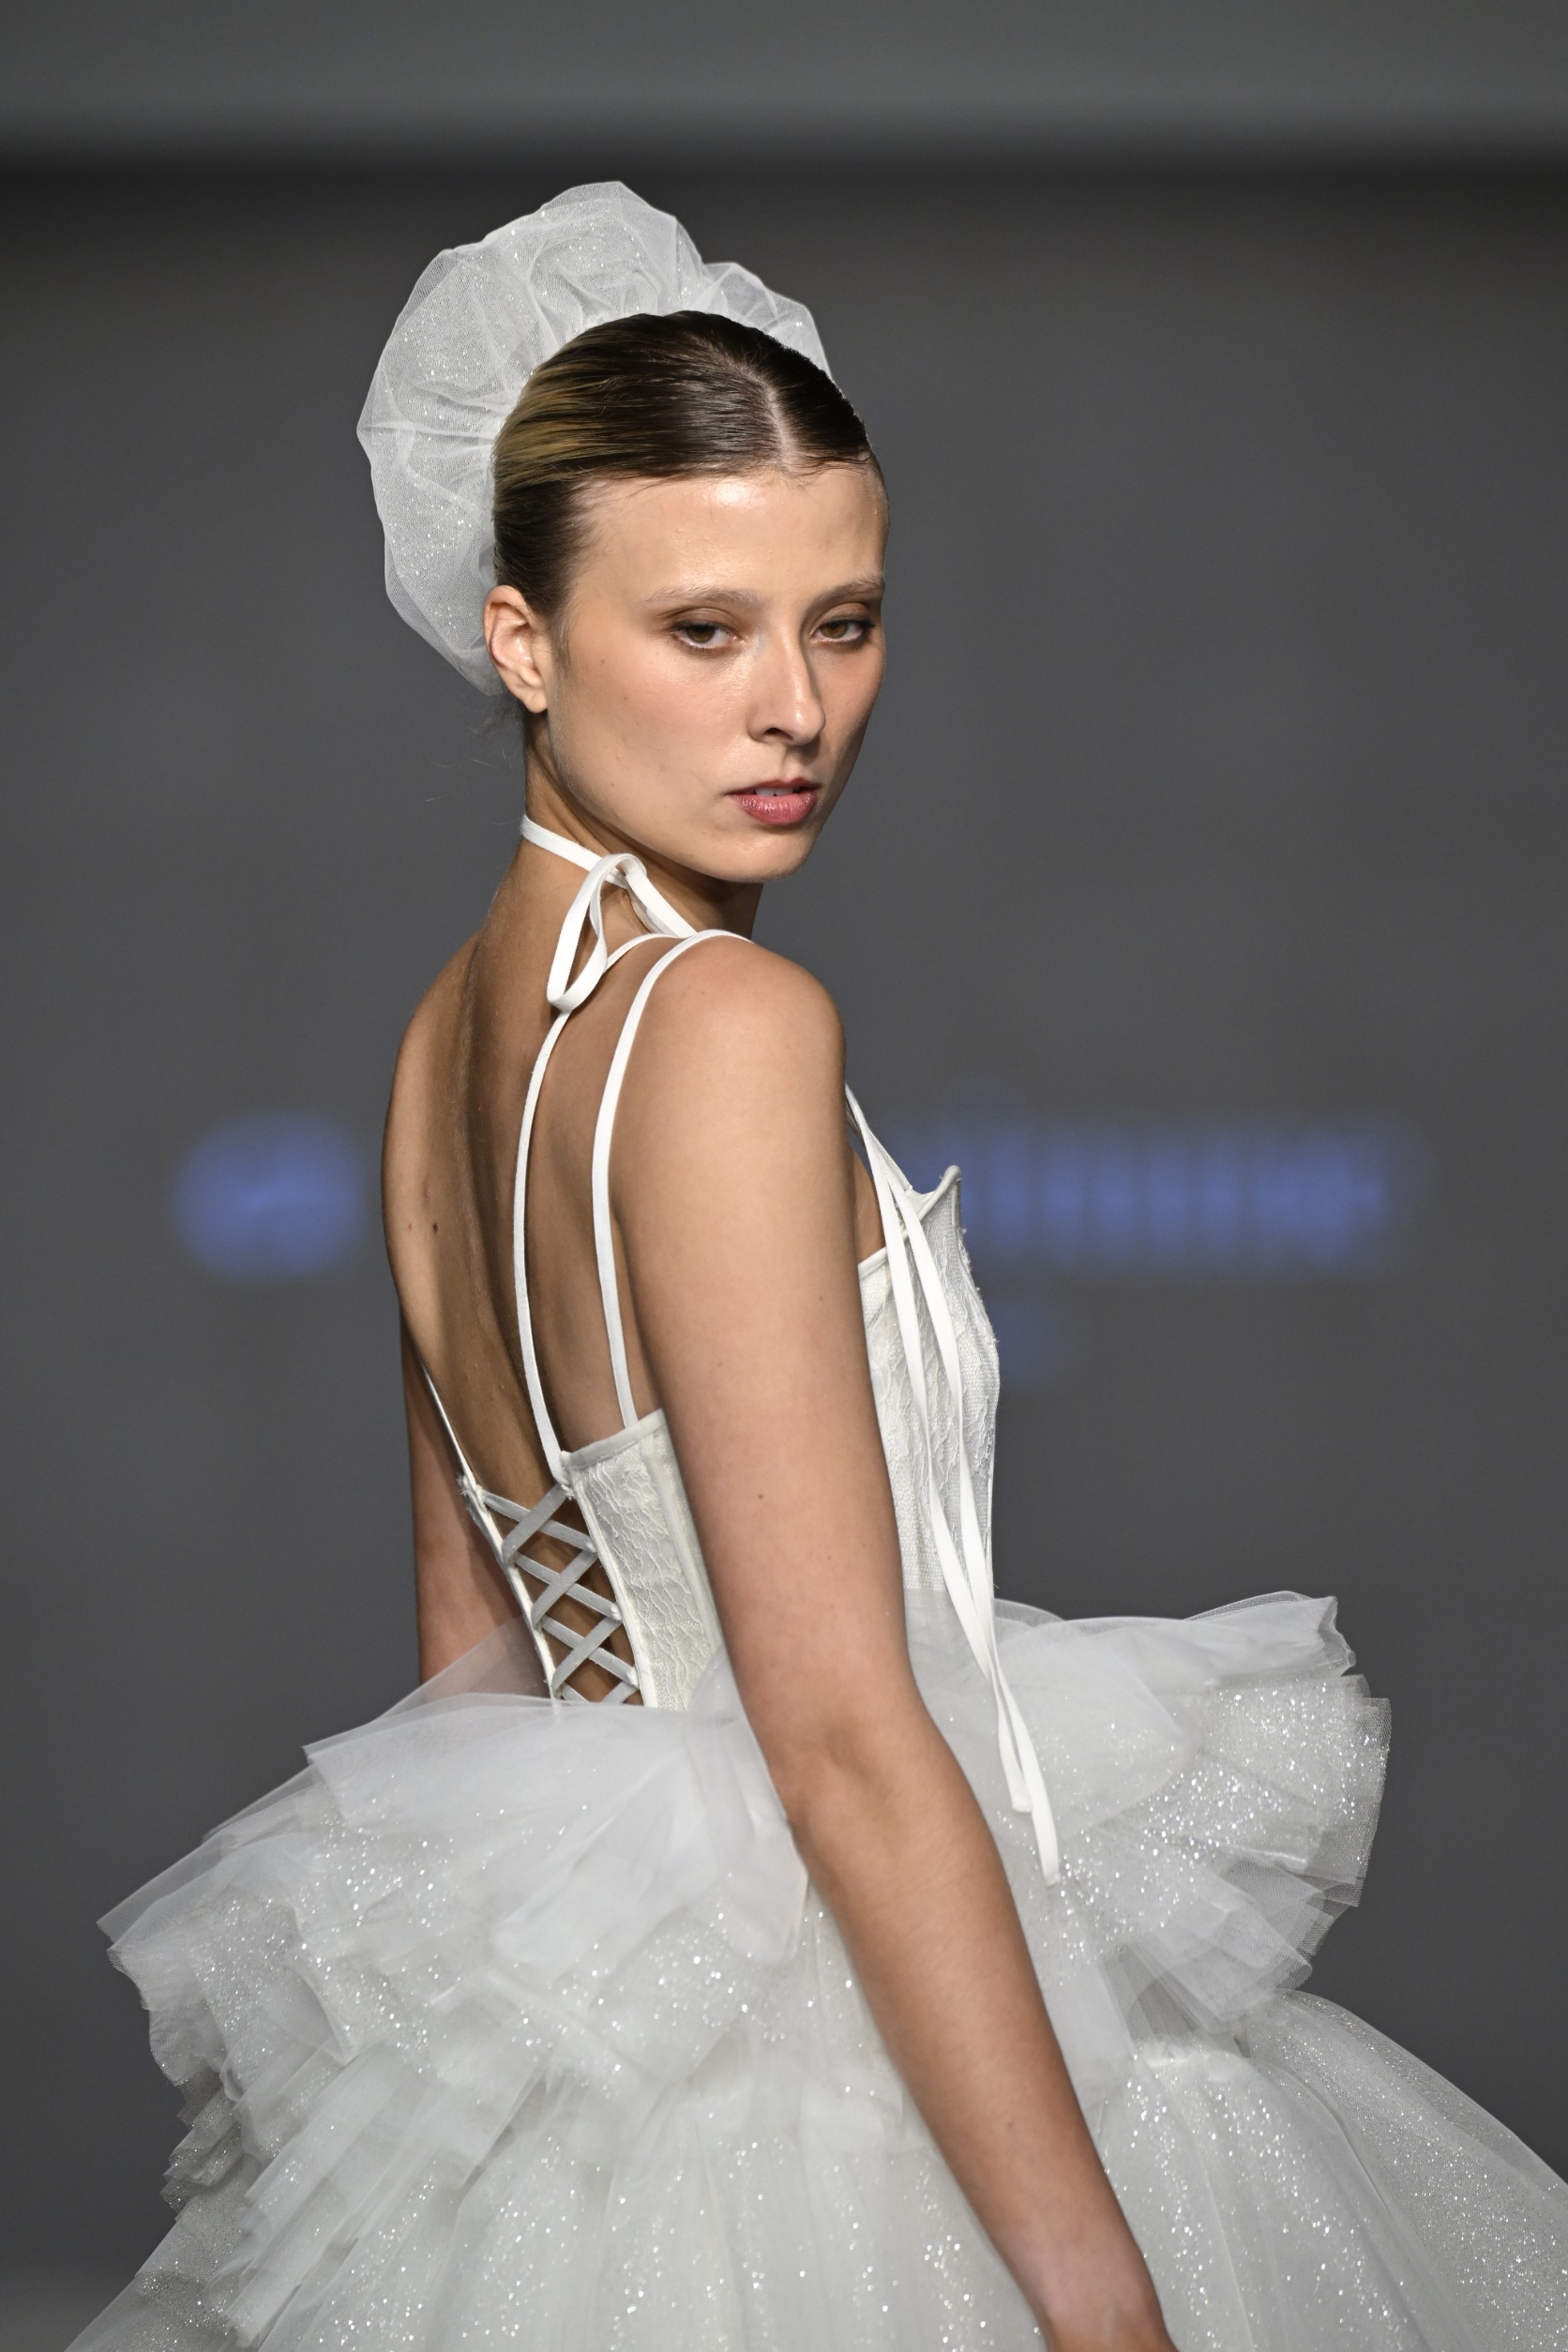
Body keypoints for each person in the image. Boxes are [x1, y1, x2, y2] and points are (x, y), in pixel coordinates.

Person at [74, 185, 1566, 2352]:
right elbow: (845, 1738)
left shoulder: (438, 1044)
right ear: (520, 642)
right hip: (832, 2093)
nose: (792, 708)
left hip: (614, 2116)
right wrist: (1099, 2306)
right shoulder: (728, 1028)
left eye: (841, 622)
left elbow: (472, 1679)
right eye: (703, 630)